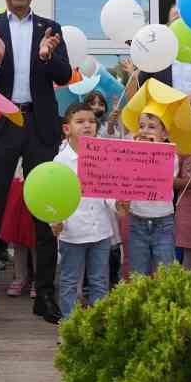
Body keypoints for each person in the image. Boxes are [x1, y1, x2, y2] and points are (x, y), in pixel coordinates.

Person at [0, 0, 73, 325]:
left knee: (45, 212)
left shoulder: (51, 28)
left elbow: (64, 73)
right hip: (1, 126)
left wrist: (46, 55)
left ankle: (45, 297)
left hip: (39, 125)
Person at [50, 103, 117, 321]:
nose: (87, 125)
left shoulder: (104, 156)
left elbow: (110, 192)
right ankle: (68, 324)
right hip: (72, 232)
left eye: (91, 121)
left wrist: (120, 205)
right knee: (70, 280)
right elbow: (52, 198)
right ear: (67, 129)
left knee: (99, 280)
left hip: (100, 230)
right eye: (80, 122)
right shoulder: (59, 162)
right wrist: (54, 222)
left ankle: (97, 324)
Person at [121, 113, 180, 275]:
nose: (145, 131)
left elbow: (165, 175)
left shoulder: (171, 156)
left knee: (165, 271)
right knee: (138, 272)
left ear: (165, 134)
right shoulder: (131, 155)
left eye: (152, 127)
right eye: (141, 126)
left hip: (163, 222)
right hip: (137, 220)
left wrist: (151, 150)